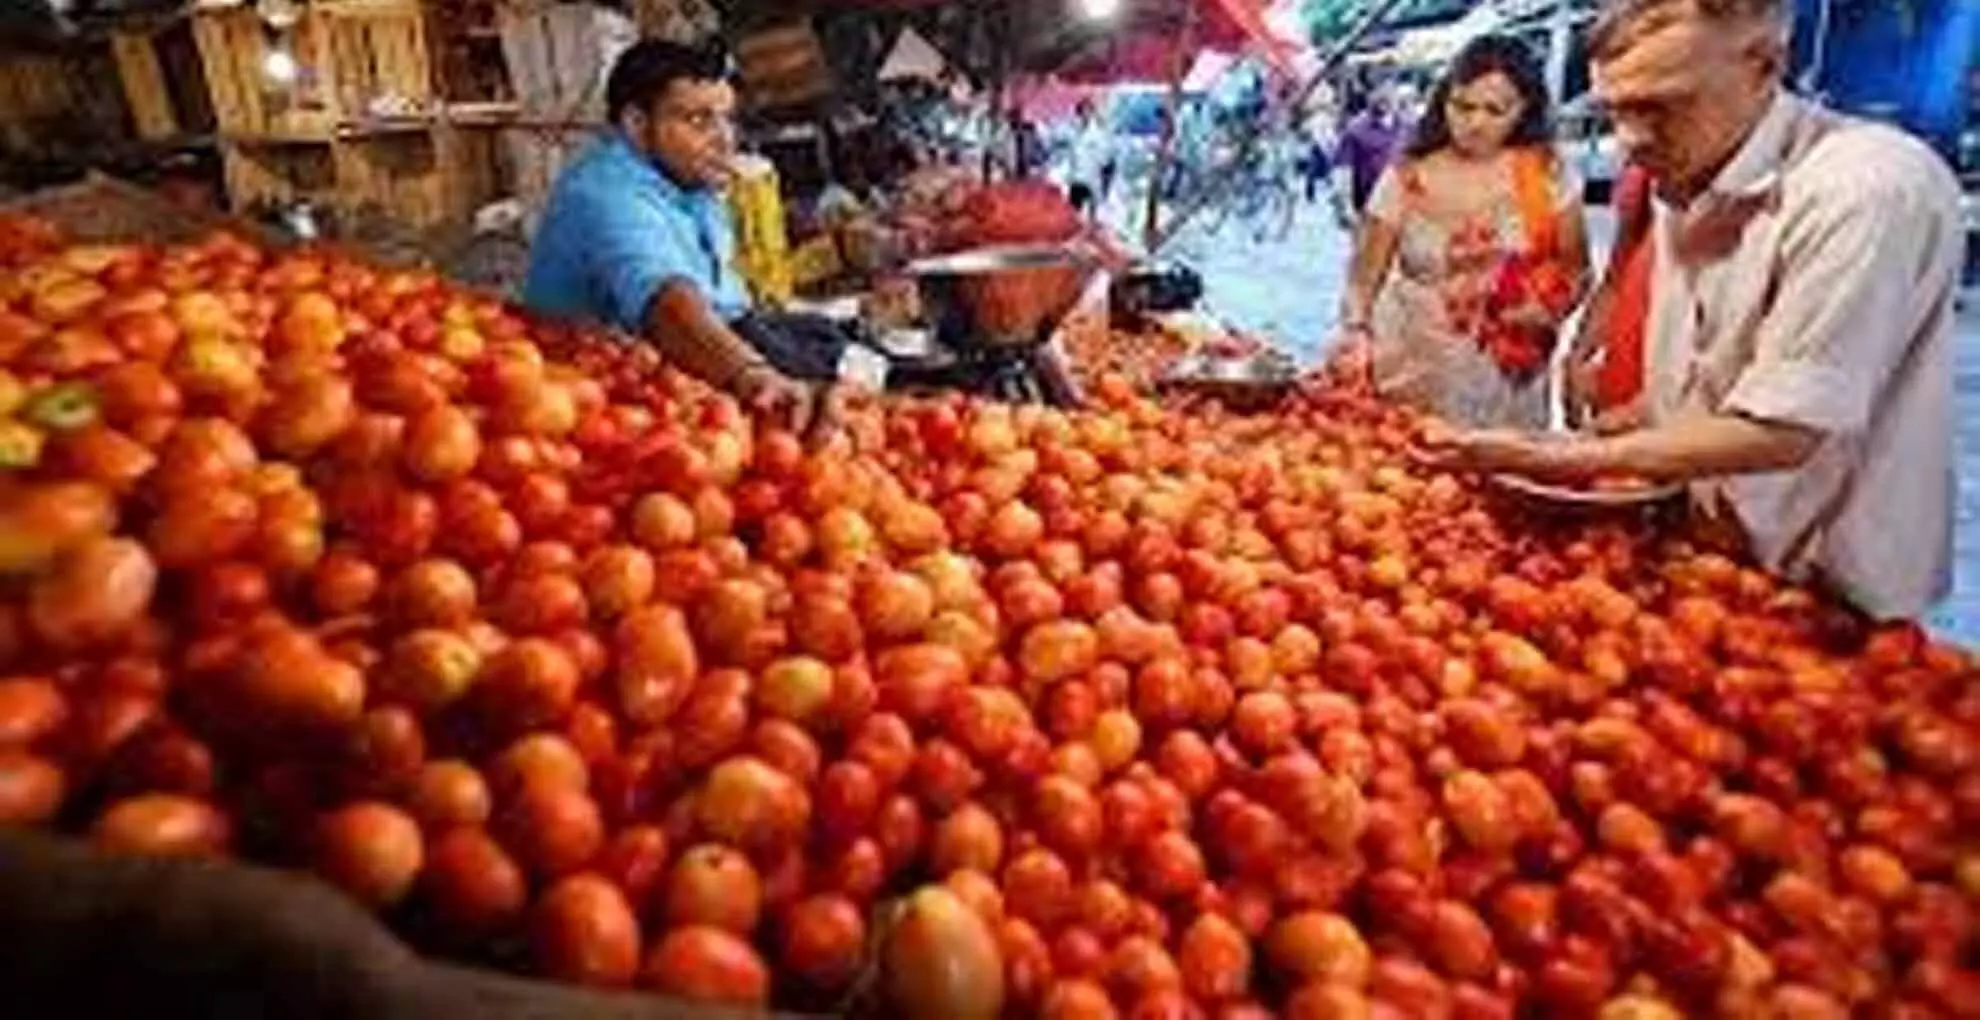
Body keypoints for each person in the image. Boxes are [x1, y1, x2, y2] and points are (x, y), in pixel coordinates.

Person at [1424, 0, 1964, 620]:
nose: (1630, 140)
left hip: (1826, 578)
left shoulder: (1864, 189)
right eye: (1616, 110)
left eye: (1661, 105)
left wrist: (1571, 458)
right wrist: (1642, 416)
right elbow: (1720, 367)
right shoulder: (1685, 180)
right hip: (1710, 553)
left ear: (1765, 63)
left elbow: (1784, 429)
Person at [521, 40, 839, 434]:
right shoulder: (606, 193)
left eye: (727, 119)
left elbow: (724, 304)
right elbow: (667, 304)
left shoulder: (690, 182)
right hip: (598, 404)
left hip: (689, 369)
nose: (725, 139)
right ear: (637, 124)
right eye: (699, 120)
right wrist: (750, 373)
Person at [1336, 35, 1590, 429]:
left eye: (1495, 110)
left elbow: (1577, 273)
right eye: (1463, 105)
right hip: (1411, 376)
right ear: (1443, 100)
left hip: (1507, 384)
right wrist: (1355, 332)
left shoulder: (1546, 175)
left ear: (1524, 110)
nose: (1475, 122)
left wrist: (1547, 311)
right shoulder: (1408, 175)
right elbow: (1362, 278)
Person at [1332, 81, 1407, 226]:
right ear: (1369, 96)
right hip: (1368, 209)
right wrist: (1346, 206)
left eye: (1389, 92)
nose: (1384, 98)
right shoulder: (1356, 130)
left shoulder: (1408, 126)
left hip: (1402, 208)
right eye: (1378, 92)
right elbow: (1343, 171)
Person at [1065, 100, 1113, 220]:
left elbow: (1105, 159)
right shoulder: (1074, 132)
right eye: (1082, 112)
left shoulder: (1099, 133)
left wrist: (1103, 181)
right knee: (1073, 215)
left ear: (1092, 113)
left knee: (1092, 215)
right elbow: (1072, 157)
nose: (1084, 115)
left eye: (1088, 111)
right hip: (1076, 179)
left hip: (1092, 179)